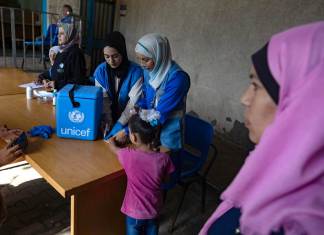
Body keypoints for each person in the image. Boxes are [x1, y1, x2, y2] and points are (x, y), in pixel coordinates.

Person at [200, 21, 324, 235]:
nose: (244, 99)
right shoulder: (268, 170)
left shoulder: (294, 225)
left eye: (256, 86)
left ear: (308, 105)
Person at [107, 112, 174, 235]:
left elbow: (113, 147)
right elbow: (166, 181)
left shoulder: (128, 155)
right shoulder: (164, 159)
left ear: (134, 138)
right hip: (154, 211)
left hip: (134, 213)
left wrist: (112, 139)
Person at [93, 31, 143, 138]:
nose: (111, 61)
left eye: (115, 56)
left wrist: (120, 124)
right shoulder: (101, 72)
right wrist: (107, 120)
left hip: (130, 119)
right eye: (106, 57)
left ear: (123, 52)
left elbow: (132, 103)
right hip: (108, 118)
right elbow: (104, 100)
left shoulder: (136, 72)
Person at [43, 22, 88, 91]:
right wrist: (43, 78)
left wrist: (56, 84)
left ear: (70, 35)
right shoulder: (62, 51)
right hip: (57, 91)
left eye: (62, 33)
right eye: (58, 34)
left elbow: (78, 80)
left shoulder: (76, 53)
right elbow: (56, 72)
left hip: (68, 95)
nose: (58, 36)